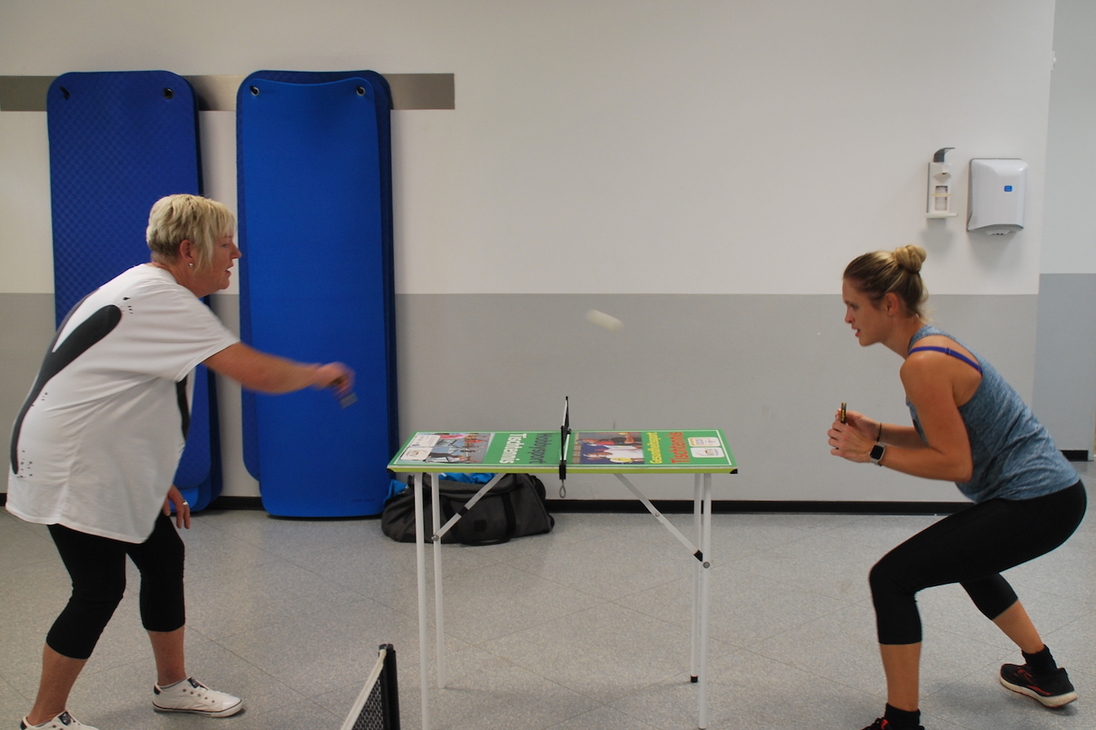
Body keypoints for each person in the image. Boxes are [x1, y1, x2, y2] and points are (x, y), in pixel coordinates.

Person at [7, 194, 355, 730]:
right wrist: (319, 373)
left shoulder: (142, 289)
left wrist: (153, 476)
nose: (236, 252)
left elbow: (115, 393)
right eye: (225, 242)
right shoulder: (159, 298)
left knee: (163, 556)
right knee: (99, 588)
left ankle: (172, 687)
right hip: (72, 469)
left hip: (96, 459)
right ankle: (41, 719)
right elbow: (255, 373)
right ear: (189, 251)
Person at [827, 245, 1086, 730]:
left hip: (1039, 501)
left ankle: (901, 723)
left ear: (889, 305)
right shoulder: (931, 346)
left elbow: (954, 461)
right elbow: (942, 436)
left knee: (892, 578)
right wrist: (878, 431)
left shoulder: (922, 364)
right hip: (1053, 496)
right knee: (970, 560)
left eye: (853, 306)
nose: (847, 318)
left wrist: (874, 454)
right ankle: (1045, 674)